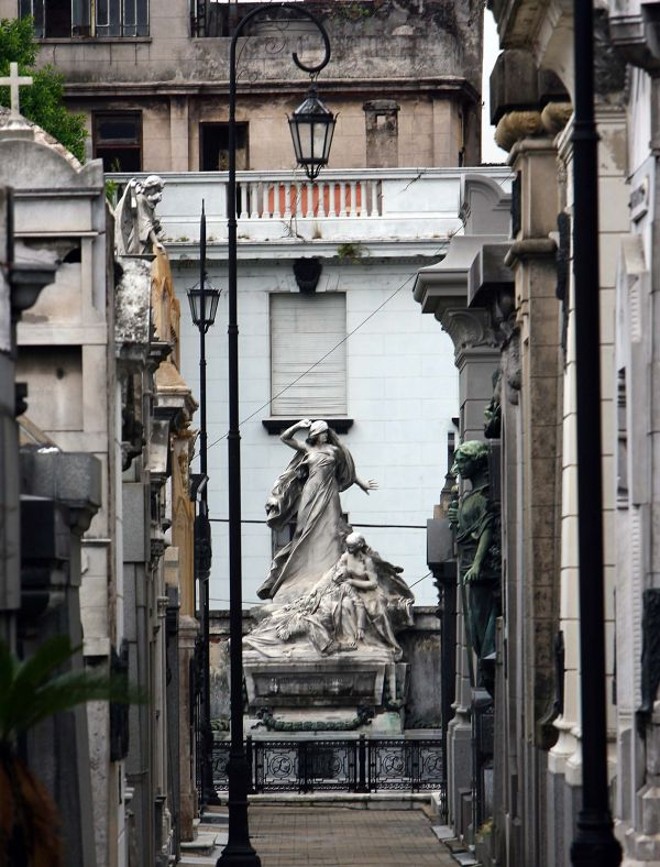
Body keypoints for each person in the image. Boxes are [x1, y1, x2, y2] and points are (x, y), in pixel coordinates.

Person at [257, 419, 377, 603]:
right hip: (310, 492)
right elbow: (284, 437)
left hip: (330, 492)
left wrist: (362, 484)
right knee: (303, 530)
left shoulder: (335, 451)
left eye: (325, 432)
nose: (324, 435)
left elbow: (348, 471)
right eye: (321, 432)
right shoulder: (308, 449)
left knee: (332, 530)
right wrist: (298, 426)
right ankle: (299, 572)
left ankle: (330, 572)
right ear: (314, 434)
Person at [450, 440, 501, 695]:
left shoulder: (484, 496)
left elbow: (486, 529)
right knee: (473, 630)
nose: (457, 466)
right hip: (468, 567)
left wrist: (479, 563)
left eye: (462, 461)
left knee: (480, 631)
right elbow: (466, 532)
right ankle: (486, 670)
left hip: (479, 571)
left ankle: (489, 673)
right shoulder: (469, 496)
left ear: (477, 462)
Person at [114, 175, 166, 255]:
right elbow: (145, 222)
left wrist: (156, 228)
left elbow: (150, 222)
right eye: (157, 190)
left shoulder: (146, 201)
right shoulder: (140, 200)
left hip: (144, 241)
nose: (157, 193)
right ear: (151, 188)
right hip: (137, 242)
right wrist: (156, 242)